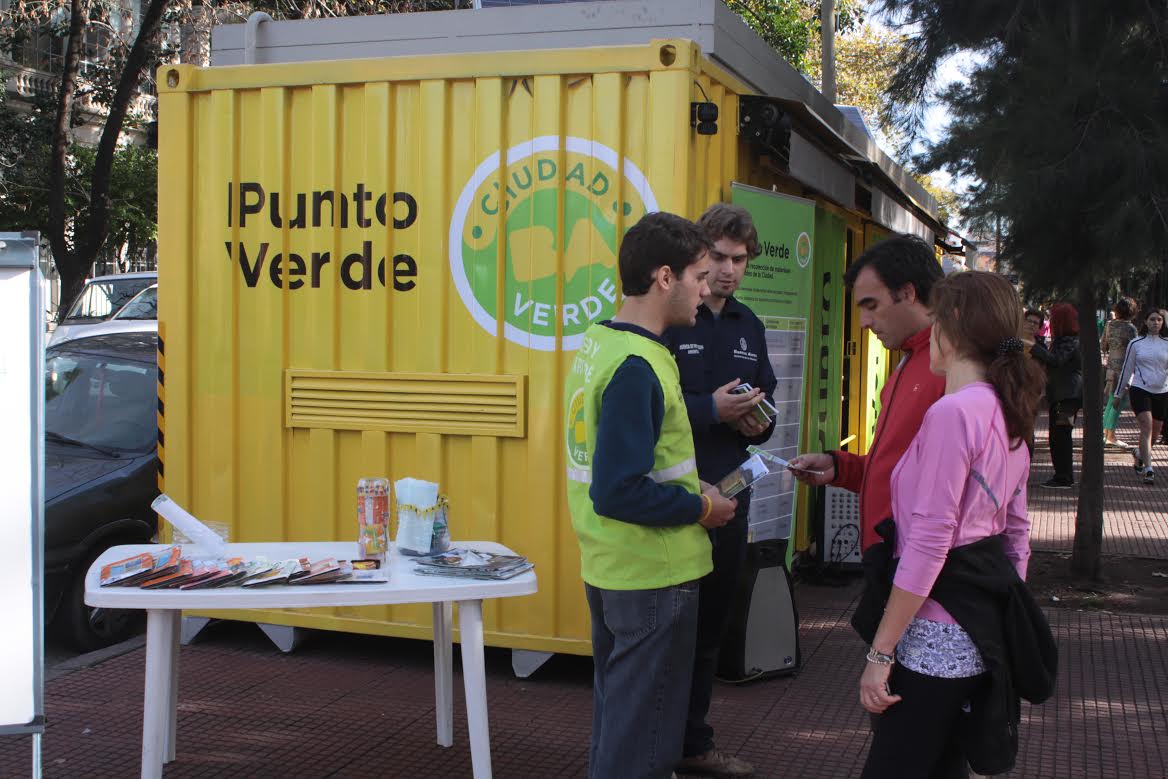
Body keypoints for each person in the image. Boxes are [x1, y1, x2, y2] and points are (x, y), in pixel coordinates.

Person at [853, 271, 1053, 779]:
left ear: (953, 326)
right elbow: (1016, 538)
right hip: (976, 634)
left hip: (931, 637)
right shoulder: (1009, 413)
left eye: (936, 318)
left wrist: (882, 650)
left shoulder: (951, 414)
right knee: (943, 766)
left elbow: (928, 542)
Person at [564, 211, 738, 779]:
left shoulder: (602, 344)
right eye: (699, 274)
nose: (707, 288)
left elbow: (634, 469)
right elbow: (617, 490)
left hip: (613, 565)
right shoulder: (638, 365)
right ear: (665, 278)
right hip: (652, 575)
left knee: (622, 721)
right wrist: (701, 507)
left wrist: (694, 488)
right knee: (644, 741)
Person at [663, 204, 776, 779]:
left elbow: (767, 405)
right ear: (699, 255)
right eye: (721, 258)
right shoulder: (671, 318)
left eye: (740, 260)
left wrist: (759, 421)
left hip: (732, 494)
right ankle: (655, 747)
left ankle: (694, 743)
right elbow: (647, 410)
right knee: (665, 630)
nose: (730, 271)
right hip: (673, 499)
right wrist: (711, 409)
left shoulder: (749, 326)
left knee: (710, 627)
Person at [788, 234, 946, 552]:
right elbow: (899, 467)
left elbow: (952, 493)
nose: (863, 322)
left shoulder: (951, 366)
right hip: (895, 557)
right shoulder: (910, 361)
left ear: (908, 293)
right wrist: (841, 468)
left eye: (871, 306)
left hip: (914, 564)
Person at [1029, 303, 1082, 488]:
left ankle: (1064, 476)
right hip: (1065, 394)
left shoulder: (1068, 341)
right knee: (1059, 435)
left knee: (1061, 435)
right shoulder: (1067, 340)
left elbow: (1056, 360)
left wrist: (1033, 347)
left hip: (1066, 395)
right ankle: (1063, 474)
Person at [1113, 307, 1168, 484]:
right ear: (1145, 322)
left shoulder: (1167, 343)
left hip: (1162, 391)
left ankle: (1139, 453)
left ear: (1163, 323)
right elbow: (1127, 369)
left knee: (1156, 432)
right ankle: (1149, 469)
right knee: (1147, 426)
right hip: (1140, 390)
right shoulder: (1136, 344)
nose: (1156, 323)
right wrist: (1118, 394)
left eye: (1159, 320)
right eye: (1152, 319)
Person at [1100, 297, 1139, 449]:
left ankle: (1106, 432)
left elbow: (1104, 346)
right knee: (1118, 402)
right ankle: (1110, 435)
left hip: (1111, 368)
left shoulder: (1109, 325)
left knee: (1111, 401)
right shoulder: (1131, 329)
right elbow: (1135, 350)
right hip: (1125, 369)